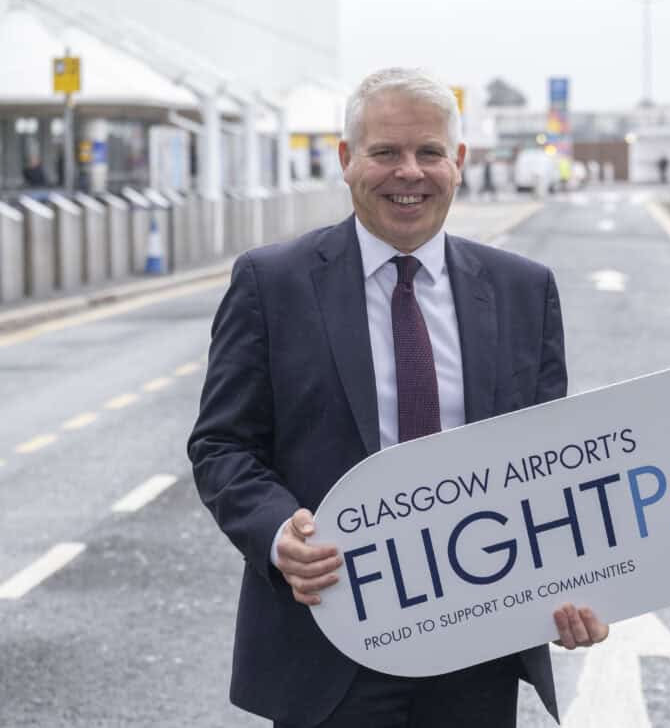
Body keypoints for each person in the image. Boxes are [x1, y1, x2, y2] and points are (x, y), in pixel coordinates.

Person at [187, 67, 608, 728]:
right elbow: (222, 445)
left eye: (429, 152)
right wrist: (276, 534)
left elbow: (548, 465)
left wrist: (573, 583)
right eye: (385, 152)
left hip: (479, 646)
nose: (408, 172)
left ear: (458, 162)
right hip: (329, 644)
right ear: (346, 160)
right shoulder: (272, 283)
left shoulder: (524, 289)